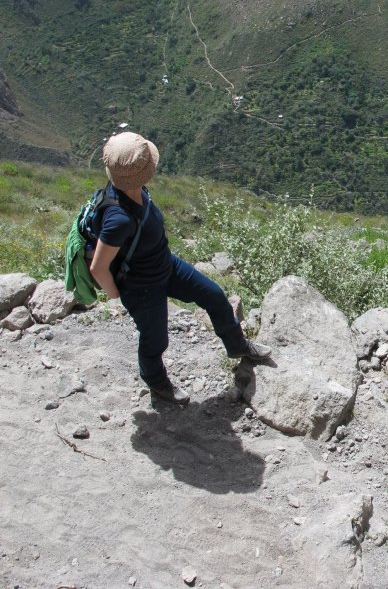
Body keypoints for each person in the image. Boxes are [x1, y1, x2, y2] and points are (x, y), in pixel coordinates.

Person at [90, 132, 270, 404]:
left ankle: (238, 346)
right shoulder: (118, 218)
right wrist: (116, 293)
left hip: (166, 265)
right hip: (142, 287)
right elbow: (98, 267)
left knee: (214, 296)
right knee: (155, 340)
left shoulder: (135, 191)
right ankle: (156, 381)